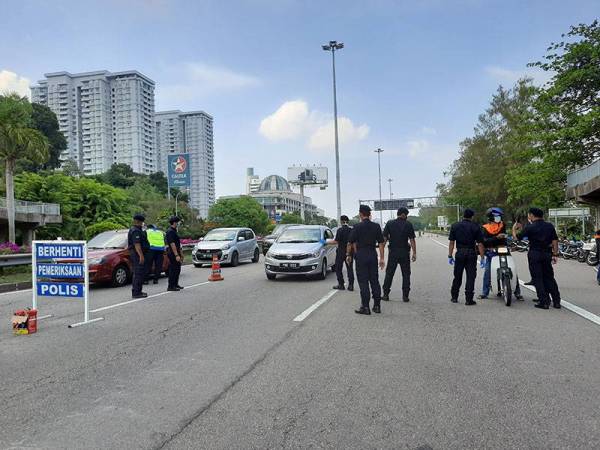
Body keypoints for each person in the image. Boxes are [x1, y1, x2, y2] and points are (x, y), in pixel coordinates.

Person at [512, 207, 561, 309]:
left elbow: (517, 238)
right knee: (549, 277)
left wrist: (514, 229)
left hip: (534, 253)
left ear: (532, 215)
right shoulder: (549, 226)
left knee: (537, 278)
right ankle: (556, 301)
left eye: (529, 215)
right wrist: (555, 254)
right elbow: (555, 240)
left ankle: (544, 301)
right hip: (547, 253)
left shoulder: (530, 227)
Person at [347, 205, 386, 315]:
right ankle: (377, 306)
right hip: (372, 255)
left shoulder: (357, 227)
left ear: (360, 214)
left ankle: (365, 307)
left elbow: (350, 242)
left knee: (363, 282)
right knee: (374, 281)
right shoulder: (376, 226)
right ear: (369, 214)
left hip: (361, 256)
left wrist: (348, 255)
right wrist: (382, 258)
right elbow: (381, 243)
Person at [478, 207, 523, 300]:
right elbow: (484, 241)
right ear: (491, 217)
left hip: (503, 250)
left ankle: (517, 293)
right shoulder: (485, 228)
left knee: (512, 270)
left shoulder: (502, 225)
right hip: (491, 252)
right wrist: (496, 238)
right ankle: (484, 293)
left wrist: (509, 241)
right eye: (497, 216)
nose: (499, 218)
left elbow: (505, 238)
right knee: (488, 272)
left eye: (499, 216)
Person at [448, 209, 485, 305]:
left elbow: (452, 242)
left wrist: (450, 255)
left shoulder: (455, 226)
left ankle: (454, 297)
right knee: (471, 276)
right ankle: (469, 299)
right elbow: (480, 244)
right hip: (471, 253)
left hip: (460, 253)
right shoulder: (475, 226)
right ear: (472, 217)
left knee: (457, 276)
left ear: (463, 216)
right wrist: (482, 257)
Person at [382, 207, 416, 302]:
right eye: (406, 215)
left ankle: (385, 294)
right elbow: (412, 239)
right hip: (404, 252)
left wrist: (381, 253)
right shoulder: (408, 224)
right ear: (403, 214)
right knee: (406, 274)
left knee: (389, 274)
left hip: (393, 252)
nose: (407, 217)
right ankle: (405, 296)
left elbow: (384, 239)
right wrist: (414, 253)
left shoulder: (390, 223)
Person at [128, 214, 150, 299]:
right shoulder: (135, 231)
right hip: (136, 254)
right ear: (138, 221)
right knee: (138, 273)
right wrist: (141, 256)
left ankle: (138, 291)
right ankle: (136, 292)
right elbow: (137, 244)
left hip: (138, 253)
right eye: (141, 222)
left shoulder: (138, 230)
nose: (142, 223)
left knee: (140, 272)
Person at [332, 215, 355, 291]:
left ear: (341, 221)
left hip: (340, 252)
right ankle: (351, 286)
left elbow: (336, 241)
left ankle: (341, 284)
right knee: (350, 268)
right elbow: (353, 242)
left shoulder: (340, 230)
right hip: (350, 252)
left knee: (338, 268)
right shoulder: (351, 230)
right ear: (348, 221)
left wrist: (325, 242)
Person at [165, 216, 184, 292]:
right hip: (172, 253)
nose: (178, 224)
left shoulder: (174, 231)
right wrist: (176, 255)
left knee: (177, 269)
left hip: (177, 252)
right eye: (177, 222)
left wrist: (181, 254)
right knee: (173, 269)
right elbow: (172, 244)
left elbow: (177, 244)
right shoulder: (170, 232)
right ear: (174, 222)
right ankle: (171, 286)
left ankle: (176, 284)